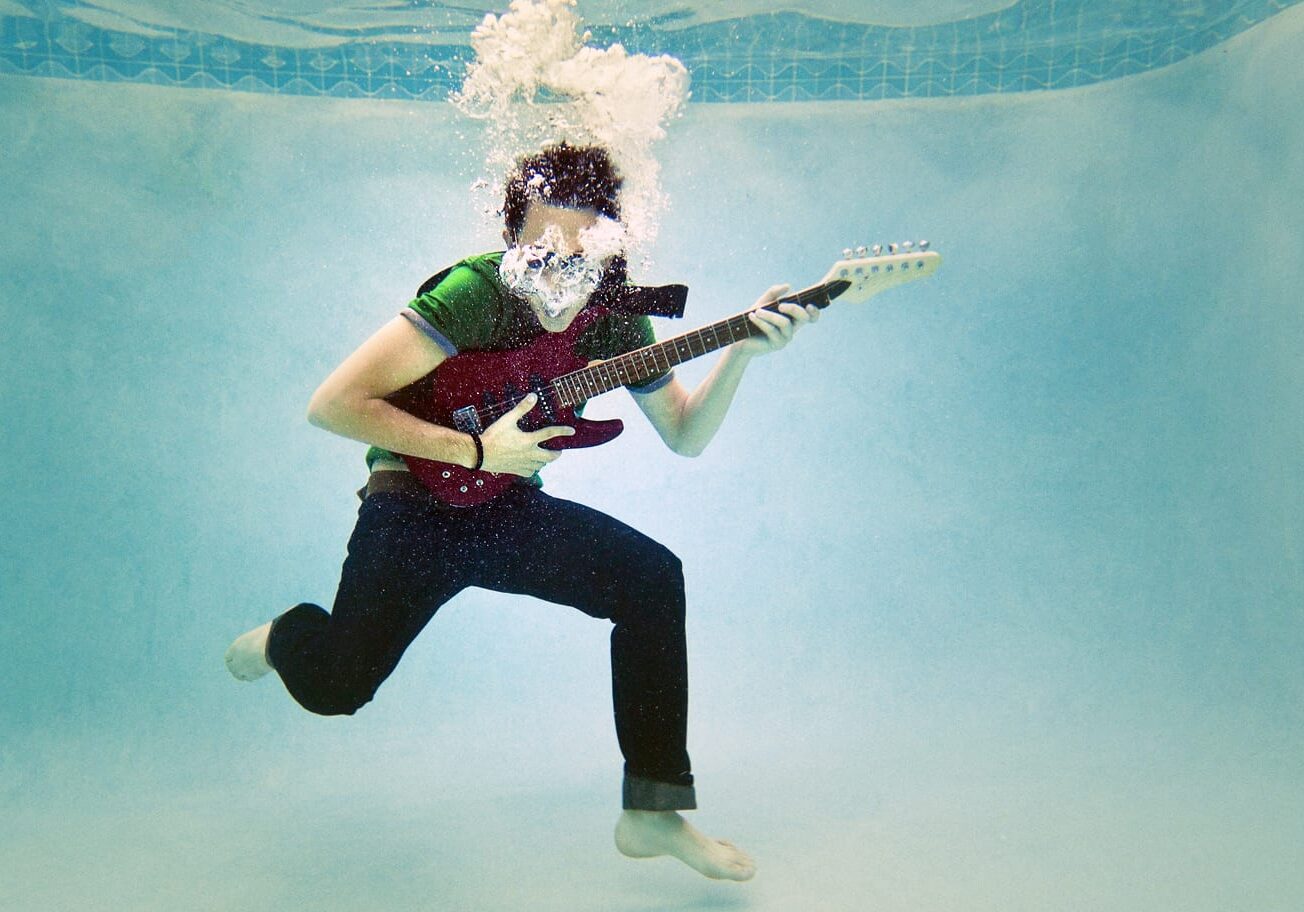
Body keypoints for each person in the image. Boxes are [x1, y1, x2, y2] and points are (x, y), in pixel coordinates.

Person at [225, 143, 818, 881]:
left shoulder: (616, 316)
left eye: (580, 260)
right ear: (512, 245)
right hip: (411, 503)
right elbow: (333, 405)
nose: (557, 279)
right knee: (337, 689)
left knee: (651, 581)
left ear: (609, 253)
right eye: (539, 255)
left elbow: (686, 436)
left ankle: (653, 812)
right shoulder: (474, 291)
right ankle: (285, 636)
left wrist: (741, 357)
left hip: (504, 510)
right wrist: (473, 452)